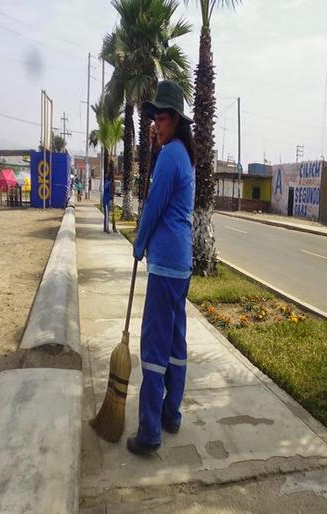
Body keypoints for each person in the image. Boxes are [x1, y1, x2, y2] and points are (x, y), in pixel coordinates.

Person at [128, 80, 195, 455]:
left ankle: (150, 432)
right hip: (180, 265)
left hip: (165, 265)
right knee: (174, 343)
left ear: (173, 119)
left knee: (154, 347)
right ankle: (171, 414)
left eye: (159, 116)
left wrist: (138, 245)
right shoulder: (182, 154)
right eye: (152, 117)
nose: (154, 122)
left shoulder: (171, 155)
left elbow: (153, 206)